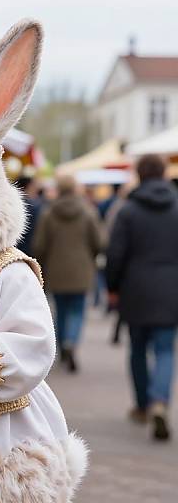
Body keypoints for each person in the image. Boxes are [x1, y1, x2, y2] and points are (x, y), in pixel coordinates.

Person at [106, 154, 178, 441]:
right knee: (165, 349)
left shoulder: (128, 210)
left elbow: (115, 254)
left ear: (139, 173)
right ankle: (160, 400)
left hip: (135, 289)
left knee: (137, 349)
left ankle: (142, 406)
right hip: (172, 288)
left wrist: (112, 286)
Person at [33, 174, 103, 372]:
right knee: (78, 311)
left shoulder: (48, 213)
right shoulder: (88, 212)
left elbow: (39, 245)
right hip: (82, 271)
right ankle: (71, 341)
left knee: (60, 311)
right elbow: (98, 242)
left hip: (56, 271)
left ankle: (62, 346)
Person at [16, 176, 44, 257]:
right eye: (33, 186)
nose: (36, 189)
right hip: (30, 249)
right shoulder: (36, 206)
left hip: (16, 250)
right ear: (28, 187)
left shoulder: (13, 206)